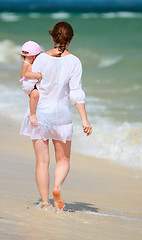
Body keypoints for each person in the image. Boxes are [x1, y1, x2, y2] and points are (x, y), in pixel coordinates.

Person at [20, 21, 92, 211]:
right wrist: (84, 119)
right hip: (62, 117)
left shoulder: (41, 59)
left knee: (42, 162)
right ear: (71, 39)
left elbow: (28, 86)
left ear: (52, 37)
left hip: (41, 115)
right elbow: (76, 93)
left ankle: (44, 203)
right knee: (63, 160)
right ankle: (57, 187)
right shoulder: (75, 62)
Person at [20, 40, 42, 126]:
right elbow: (25, 74)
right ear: (33, 56)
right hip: (27, 85)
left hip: (30, 83)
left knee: (36, 96)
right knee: (35, 94)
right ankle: (32, 114)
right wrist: (38, 75)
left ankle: (35, 111)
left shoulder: (29, 63)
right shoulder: (26, 64)